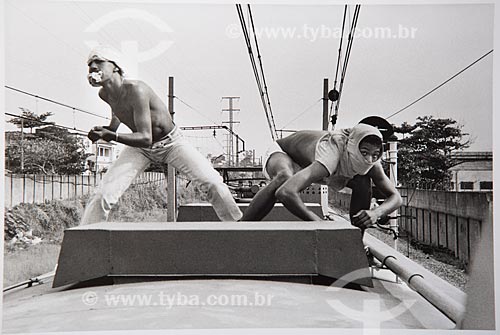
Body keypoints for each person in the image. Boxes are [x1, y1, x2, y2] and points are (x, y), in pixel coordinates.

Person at [82, 45, 242, 224]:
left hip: (171, 143)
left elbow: (145, 137)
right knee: (103, 194)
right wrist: (106, 130)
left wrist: (112, 136)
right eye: (90, 64)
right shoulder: (104, 94)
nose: (93, 66)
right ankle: (85, 239)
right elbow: (118, 114)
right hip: (141, 148)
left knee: (212, 183)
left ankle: (238, 228)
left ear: (115, 67)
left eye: (99, 62)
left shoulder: (136, 89)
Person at [241, 120, 402, 230]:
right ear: (351, 146)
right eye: (364, 152)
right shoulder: (330, 154)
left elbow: (396, 197)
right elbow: (285, 192)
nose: (368, 159)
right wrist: (318, 223)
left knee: (363, 180)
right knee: (284, 178)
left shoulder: (373, 162)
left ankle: (355, 237)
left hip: (316, 170)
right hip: (284, 154)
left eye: (375, 155)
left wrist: (376, 213)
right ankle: (240, 228)